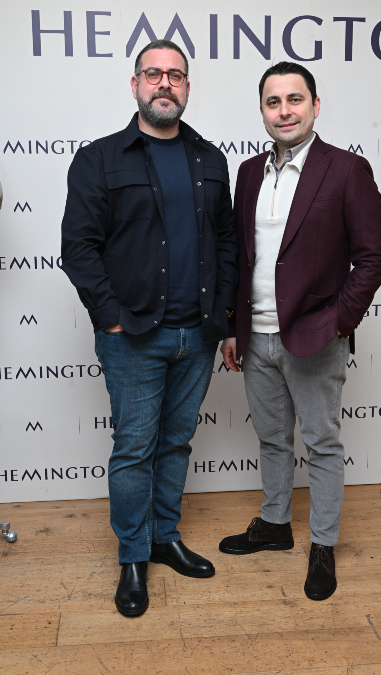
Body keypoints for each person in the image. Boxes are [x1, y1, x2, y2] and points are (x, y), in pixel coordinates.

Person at [61, 39, 239, 617]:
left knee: (176, 443)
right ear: (135, 84)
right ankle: (133, 556)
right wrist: (111, 317)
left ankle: (164, 537)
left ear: (187, 87)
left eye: (176, 75)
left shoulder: (210, 159)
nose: (165, 83)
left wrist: (225, 319)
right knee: (135, 449)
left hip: (199, 335)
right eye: (154, 74)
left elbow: (227, 243)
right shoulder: (99, 159)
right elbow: (78, 247)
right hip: (133, 335)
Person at [220, 62, 381, 601]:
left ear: (315, 106)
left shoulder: (346, 170)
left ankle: (323, 544)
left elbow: (373, 256)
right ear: (262, 111)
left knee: (321, 444)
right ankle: (275, 524)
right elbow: (240, 257)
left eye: (295, 99)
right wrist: (232, 327)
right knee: (272, 438)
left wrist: (339, 321)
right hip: (256, 336)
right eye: (273, 102)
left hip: (316, 337)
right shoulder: (248, 172)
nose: (285, 111)